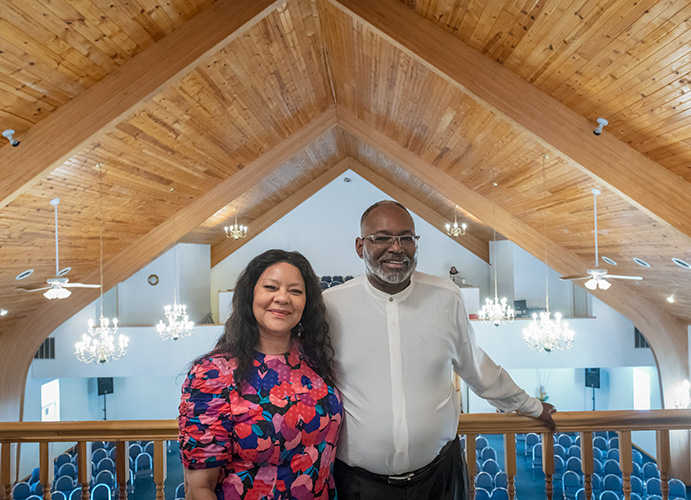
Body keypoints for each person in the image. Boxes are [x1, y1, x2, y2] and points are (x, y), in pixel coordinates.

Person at [324, 201, 556, 500]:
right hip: (359, 484)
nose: (396, 248)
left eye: (407, 238)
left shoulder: (446, 297)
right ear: (360, 246)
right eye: (382, 238)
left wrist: (532, 406)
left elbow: (477, 367)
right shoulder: (331, 306)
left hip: (440, 478)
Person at [179, 249, 342, 500]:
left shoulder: (315, 360)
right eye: (271, 287)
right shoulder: (213, 374)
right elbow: (199, 489)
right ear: (250, 295)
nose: (283, 298)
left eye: (295, 291)